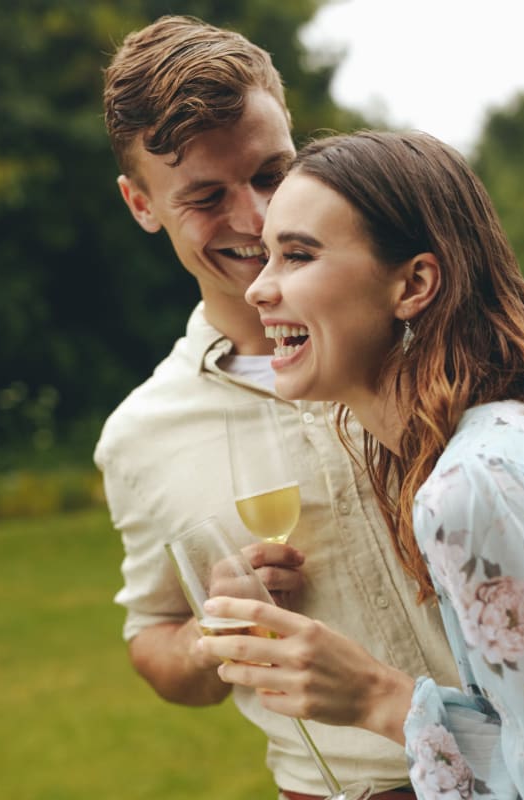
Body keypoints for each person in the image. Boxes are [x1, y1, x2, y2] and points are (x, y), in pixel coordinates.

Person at [202, 130, 524, 798]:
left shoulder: (477, 485)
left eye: (298, 255)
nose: (259, 289)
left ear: (414, 283)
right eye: (267, 258)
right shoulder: (506, 439)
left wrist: (378, 697)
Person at [94, 16, 458, 800]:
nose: (256, 219)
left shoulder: (432, 335)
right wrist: (209, 635)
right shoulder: (139, 436)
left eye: (271, 174)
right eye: (205, 197)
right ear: (140, 204)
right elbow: (151, 640)